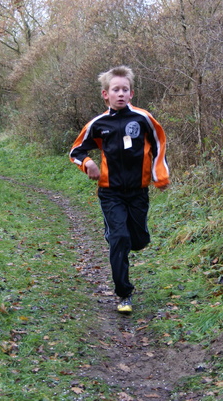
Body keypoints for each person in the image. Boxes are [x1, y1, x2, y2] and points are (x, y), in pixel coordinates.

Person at [69, 65, 170, 314]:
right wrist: (88, 163)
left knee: (138, 240)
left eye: (125, 89)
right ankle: (124, 294)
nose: (121, 94)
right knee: (119, 239)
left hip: (138, 191)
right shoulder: (98, 124)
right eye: (116, 90)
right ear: (106, 94)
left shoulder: (143, 119)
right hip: (110, 192)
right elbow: (76, 151)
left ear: (132, 93)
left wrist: (160, 174)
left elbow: (159, 144)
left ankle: (127, 237)